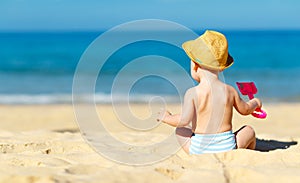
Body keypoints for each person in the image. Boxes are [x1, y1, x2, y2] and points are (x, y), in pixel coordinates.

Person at [157, 30, 262, 155]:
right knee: (249, 130)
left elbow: (184, 120)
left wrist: (166, 117)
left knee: (181, 130)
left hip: (198, 149)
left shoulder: (192, 93)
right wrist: (255, 102)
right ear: (222, 68)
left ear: (195, 66)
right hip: (228, 147)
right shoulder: (230, 91)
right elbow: (245, 109)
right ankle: (248, 153)